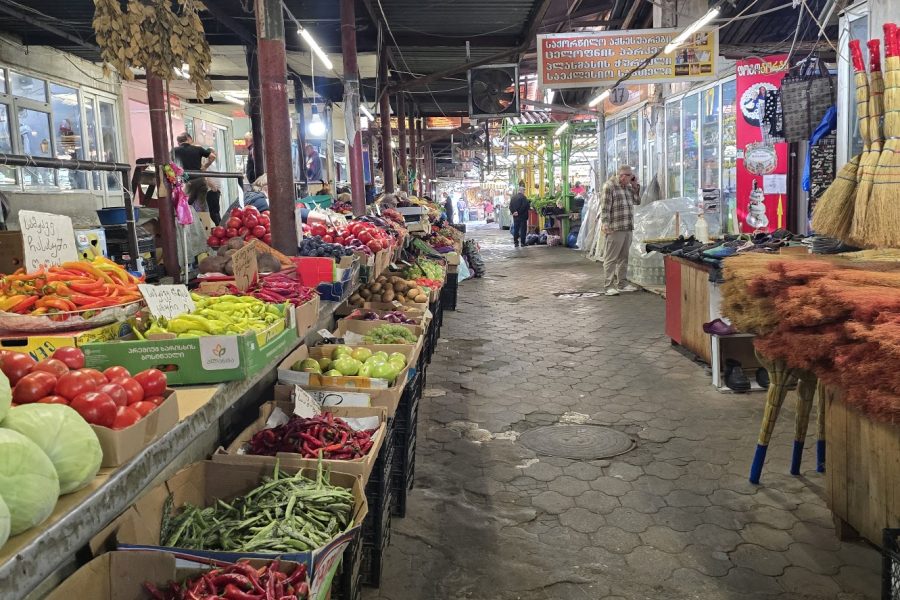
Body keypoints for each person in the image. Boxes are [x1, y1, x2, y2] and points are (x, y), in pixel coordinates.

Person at [601, 165, 641, 296]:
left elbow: (637, 201)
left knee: (624, 258)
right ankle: (608, 286)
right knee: (611, 258)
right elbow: (605, 208)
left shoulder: (629, 187)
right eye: (630, 176)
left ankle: (622, 284)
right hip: (615, 228)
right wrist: (605, 224)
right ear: (622, 175)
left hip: (627, 226)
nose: (632, 178)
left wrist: (635, 187)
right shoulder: (609, 186)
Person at [172, 132, 219, 221]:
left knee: (185, 204)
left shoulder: (175, 150)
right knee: (202, 205)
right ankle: (205, 227)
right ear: (189, 139)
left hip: (187, 181)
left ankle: (189, 225)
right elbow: (212, 157)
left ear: (178, 142)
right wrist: (204, 167)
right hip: (201, 180)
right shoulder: (198, 149)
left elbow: (169, 164)